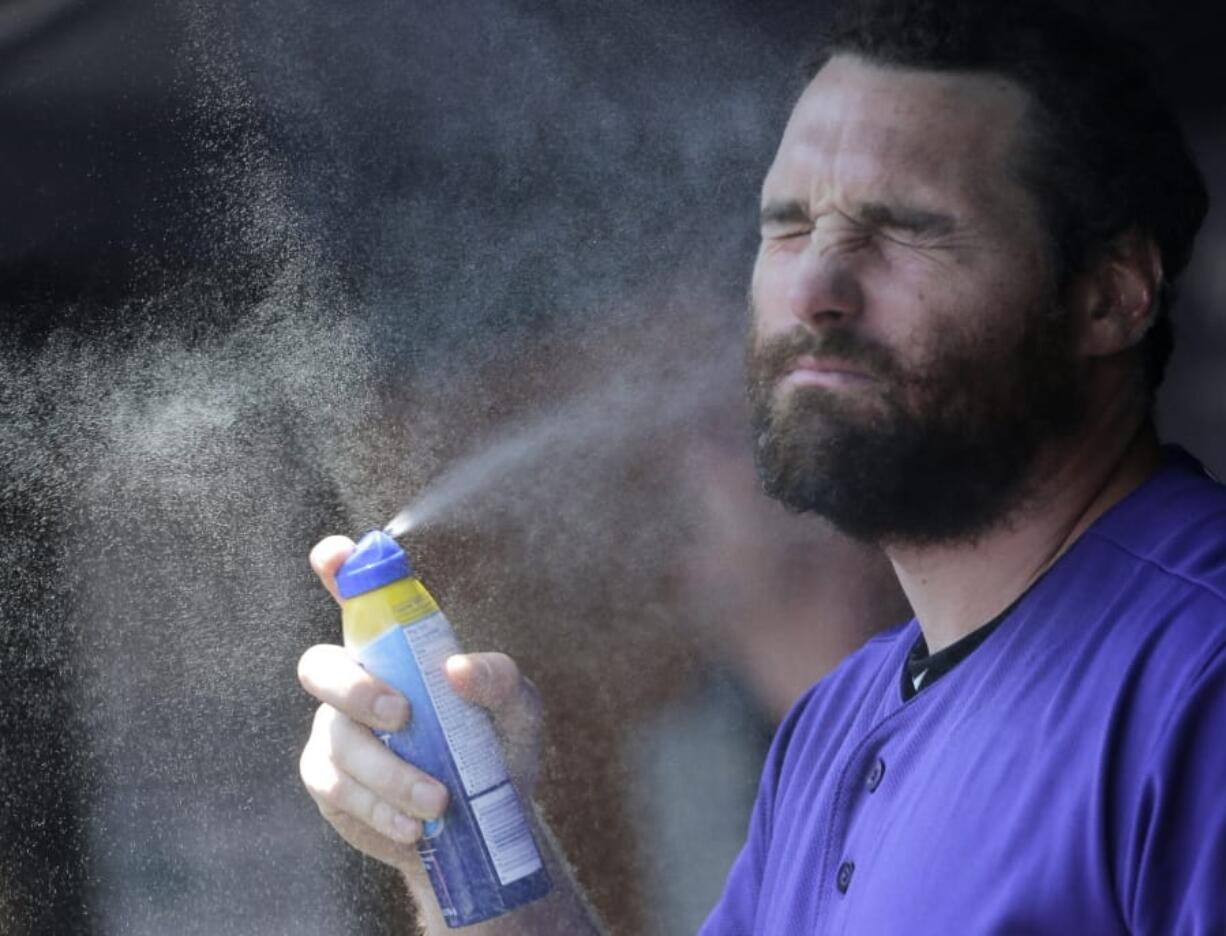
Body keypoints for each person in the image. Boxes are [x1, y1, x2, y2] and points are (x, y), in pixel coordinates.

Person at [297, 0, 1224, 931]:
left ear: (1110, 298)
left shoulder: (1199, 681)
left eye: (905, 229)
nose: (816, 288)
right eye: (787, 227)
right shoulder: (837, 725)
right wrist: (464, 826)